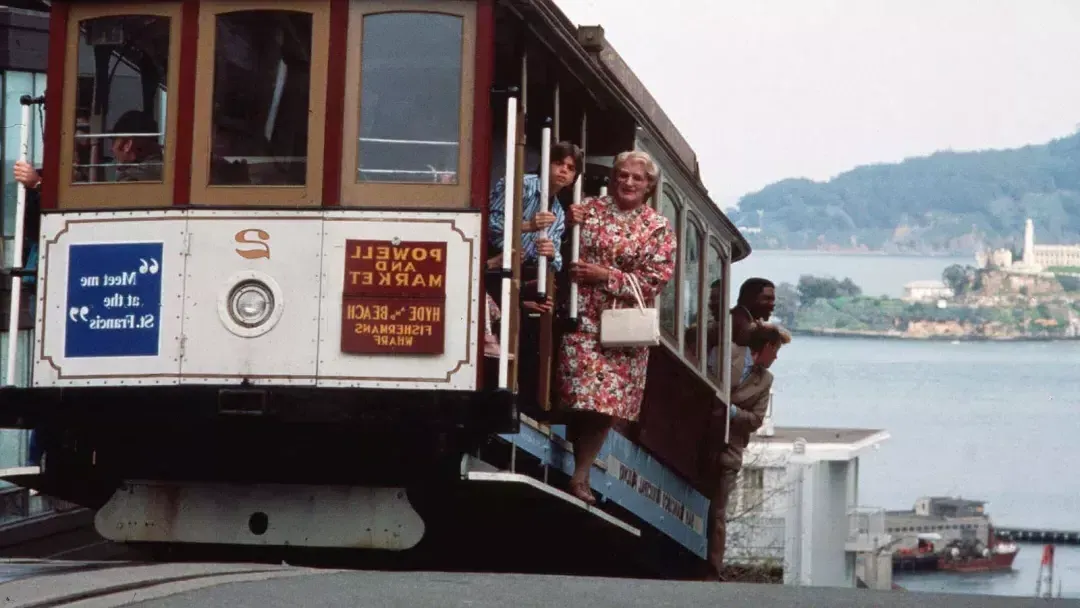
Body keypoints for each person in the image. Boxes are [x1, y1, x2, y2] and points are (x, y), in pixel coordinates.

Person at [558, 150, 677, 505]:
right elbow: (558, 248)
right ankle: (568, 457)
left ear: (649, 186)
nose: (628, 182)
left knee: (603, 405)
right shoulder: (589, 209)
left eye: (637, 178)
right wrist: (566, 222)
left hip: (621, 328)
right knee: (578, 393)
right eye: (623, 175)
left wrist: (604, 275)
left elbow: (655, 280)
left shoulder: (657, 227)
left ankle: (580, 474)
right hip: (581, 314)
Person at [705, 322, 791, 581]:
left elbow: (755, 419)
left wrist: (730, 411)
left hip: (730, 448)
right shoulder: (726, 353)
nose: (776, 357)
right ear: (766, 347)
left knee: (719, 511)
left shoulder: (765, 380)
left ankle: (713, 568)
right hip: (700, 439)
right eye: (775, 351)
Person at [730, 278, 775, 388]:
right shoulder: (740, 323)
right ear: (750, 299)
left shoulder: (739, 318)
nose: (772, 305)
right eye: (767, 299)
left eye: (772, 300)